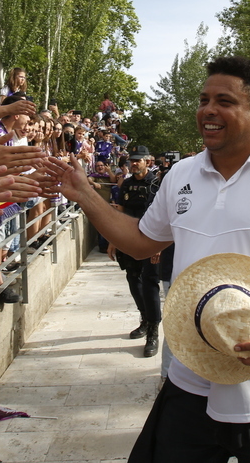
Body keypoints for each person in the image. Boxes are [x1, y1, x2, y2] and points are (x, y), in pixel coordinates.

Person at [45, 56, 250, 463]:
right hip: (190, 379)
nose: (208, 111)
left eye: (224, 101)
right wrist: (87, 196)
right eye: (203, 100)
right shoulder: (179, 176)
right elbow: (144, 242)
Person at [111, 145, 162, 357]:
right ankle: (144, 319)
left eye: (138, 160)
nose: (134, 163)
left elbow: (162, 217)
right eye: (132, 160)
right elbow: (120, 212)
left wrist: (158, 245)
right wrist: (114, 241)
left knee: (150, 284)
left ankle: (153, 331)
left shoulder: (157, 185)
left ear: (147, 162)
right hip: (129, 240)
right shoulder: (127, 184)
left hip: (150, 241)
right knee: (133, 280)